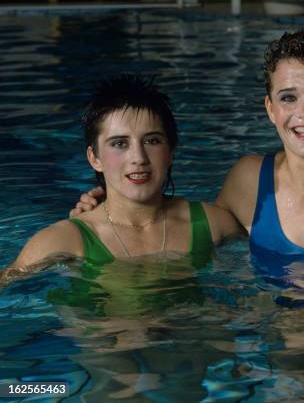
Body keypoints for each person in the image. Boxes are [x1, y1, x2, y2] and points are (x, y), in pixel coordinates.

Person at [72, 27, 304, 267]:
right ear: (270, 109)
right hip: (278, 355)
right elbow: (184, 229)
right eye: (289, 98)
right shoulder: (248, 181)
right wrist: (108, 210)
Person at [2, 74, 241, 282]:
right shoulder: (63, 241)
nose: (138, 157)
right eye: (119, 143)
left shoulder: (214, 226)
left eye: (152, 141)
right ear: (94, 157)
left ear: (170, 152)